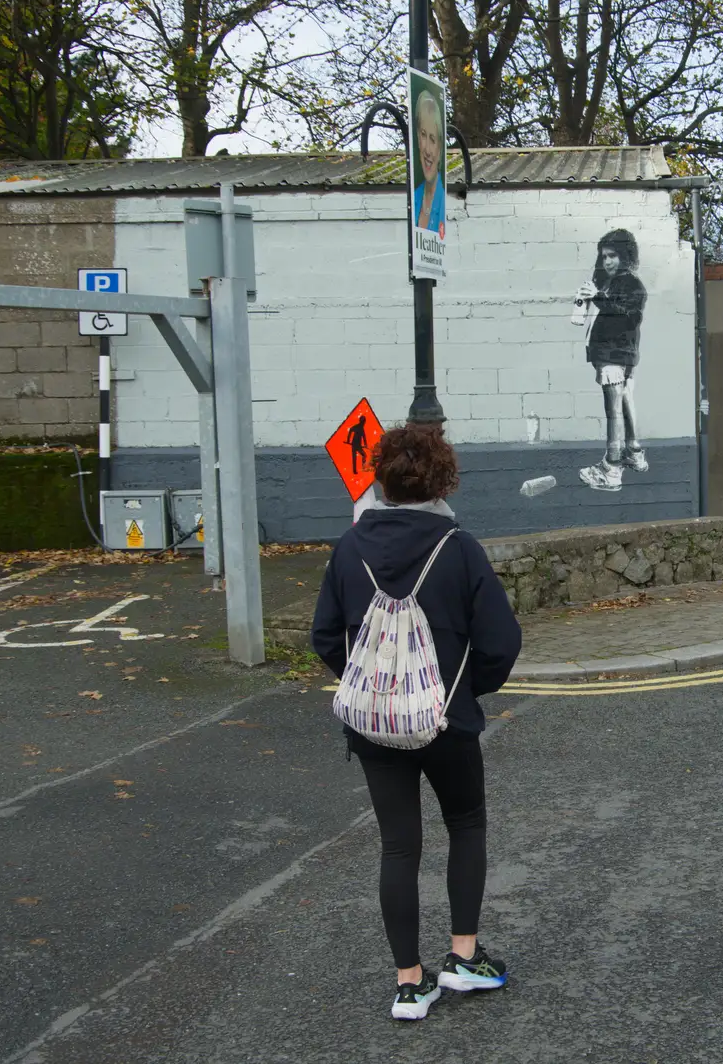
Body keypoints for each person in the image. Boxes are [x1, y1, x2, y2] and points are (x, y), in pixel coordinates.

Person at [311, 423, 521, 1020]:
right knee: (466, 825)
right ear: (442, 480)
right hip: (447, 721)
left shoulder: (349, 548)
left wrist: (374, 688)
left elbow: (325, 636)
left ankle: (409, 984)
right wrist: (464, 691)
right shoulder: (459, 548)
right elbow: (501, 643)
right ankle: (463, 958)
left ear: (381, 477)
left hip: (375, 726)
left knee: (399, 847)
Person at [575, 229, 647, 491]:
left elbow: (627, 317)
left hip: (614, 355)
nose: (607, 261)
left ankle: (612, 469)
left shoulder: (631, 285)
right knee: (625, 402)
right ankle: (634, 452)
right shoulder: (612, 283)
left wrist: (597, 296)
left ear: (626, 256)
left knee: (613, 411)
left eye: (613, 256)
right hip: (617, 355)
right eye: (604, 256)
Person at [414, 91, 445, 235]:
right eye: (423, 135)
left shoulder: (445, 201)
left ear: (440, 147)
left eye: (432, 139)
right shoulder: (414, 198)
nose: (427, 149)